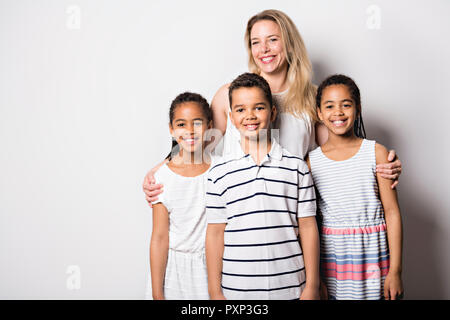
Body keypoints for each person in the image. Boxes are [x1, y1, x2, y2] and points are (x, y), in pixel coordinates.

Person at [143, 9, 402, 206]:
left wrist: (379, 164)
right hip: (238, 209)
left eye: (272, 40)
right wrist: (160, 171)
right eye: (256, 42)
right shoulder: (228, 95)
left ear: (288, 43)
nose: (263, 49)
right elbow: (198, 147)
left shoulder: (314, 99)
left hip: (291, 211)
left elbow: (337, 153)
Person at [205, 73, 320, 300]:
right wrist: (214, 291)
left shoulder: (297, 168)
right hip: (236, 292)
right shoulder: (218, 175)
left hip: (291, 288)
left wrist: (312, 287)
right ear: (231, 117)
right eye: (240, 110)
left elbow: (307, 228)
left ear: (273, 112)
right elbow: (215, 234)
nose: (250, 116)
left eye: (259, 108)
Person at [307, 74, 404, 300]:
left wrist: (396, 271)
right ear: (319, 113)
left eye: (346, 105)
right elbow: (311, 221)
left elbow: (392, 213)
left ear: (358, 109)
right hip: (334, 260)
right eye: (329, 106)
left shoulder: (377, 153)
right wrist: (316, 279)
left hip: (375, 258)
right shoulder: (312, 162)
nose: (338, 112)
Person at [148, 92, 213, 300]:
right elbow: (159, 238)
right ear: (171, 129)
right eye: (181, 124)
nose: (190, 131)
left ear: (209, 126)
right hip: (174, 273)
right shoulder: (162, 177)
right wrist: (158, 295)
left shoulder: (220, 170)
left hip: (212, 269)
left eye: (197, 123)